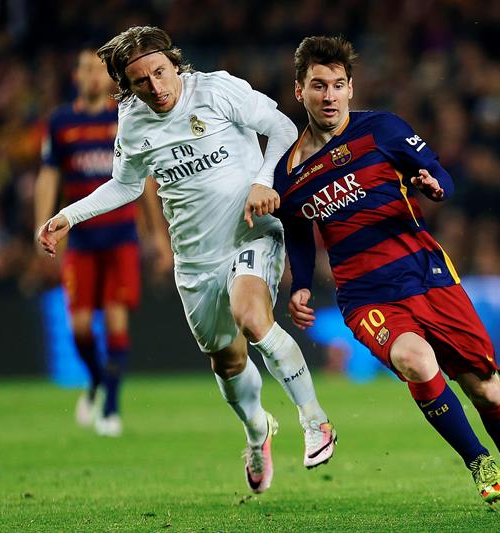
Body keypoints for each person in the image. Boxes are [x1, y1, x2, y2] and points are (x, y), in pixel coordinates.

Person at [37, 26, 336, 493]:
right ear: (126, 85)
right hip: (195, 260)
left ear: (174, 63)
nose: (156, 87)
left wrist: (264, 180)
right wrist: (68, 216)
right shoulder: (133, 121)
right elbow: (128, 184)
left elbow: (280, 128)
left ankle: (315, 419)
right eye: (141, 80)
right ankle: (257, 431)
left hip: (249, 231)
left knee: (253, 318)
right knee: (228, 360)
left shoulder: (216, 89)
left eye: (160, 71)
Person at [273, 35, 500, 508]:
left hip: (428, 275)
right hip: (366, 294)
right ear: (299, 91)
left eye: (338, 85)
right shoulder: (288, 173)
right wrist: (302, 285)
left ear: (351, 88)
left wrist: (435, 186)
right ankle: (477, 461)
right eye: (318, 85)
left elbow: (437, 172)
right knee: (416, 360)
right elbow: (300, 232)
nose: (329, 96)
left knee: (486, 388)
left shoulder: (382, 129)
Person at [35, 47, 172, 437]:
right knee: (78, 328)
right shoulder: (61, 122)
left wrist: (156, 235)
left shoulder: (124, 117)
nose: (92, 75)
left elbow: (143, 180)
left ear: (109, 77)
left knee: (115, 319)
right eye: (85, 69)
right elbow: (49, 176)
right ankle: (96, 380)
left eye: (98, 69)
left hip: (120, 238)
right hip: (81, 241)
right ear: (77, 76)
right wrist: (41, 224)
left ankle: (111, 405)